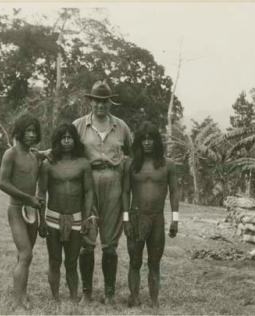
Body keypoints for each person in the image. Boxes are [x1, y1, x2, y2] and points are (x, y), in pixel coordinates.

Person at [72, 80, 132, 304]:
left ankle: (109, 294)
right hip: (87, 183)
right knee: (87, 239)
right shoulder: (79, 125)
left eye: (104, 101)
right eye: (97, 101)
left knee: (110, 242)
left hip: (114, 183)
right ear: (91, 102)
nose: (100, 105)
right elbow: (63, 148)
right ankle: (86, 293)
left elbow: (132, 155)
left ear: (110, 102)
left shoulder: (121, 127)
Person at [122, 122, 179, 308]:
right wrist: (125, 220)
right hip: (136, 216)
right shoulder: (130, 164)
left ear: (156, 141)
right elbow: (125, 192)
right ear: (139, 141)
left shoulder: (167, 165)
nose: (147, 142)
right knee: (135, 260)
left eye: (151, 139)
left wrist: (175, 220)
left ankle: (154, 301)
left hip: (157, 218)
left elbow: (174, 192)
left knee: (154, 262)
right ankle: (134, 297)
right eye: (144, 139)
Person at [37, 123, 94, 302]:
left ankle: (73, 298)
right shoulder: (48, 164)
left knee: (71, 262)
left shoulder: (83, 163)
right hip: (53, 217)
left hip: (76, 218)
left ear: (75, 140)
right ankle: (55, 299)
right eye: (63, 138)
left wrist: (86, 218)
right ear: (58, 141)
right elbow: (41, 193)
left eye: (70, 137)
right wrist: (42, 220)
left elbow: (88, 191)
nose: (67, 141)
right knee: (55, 261)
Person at [0, 113, 43, 310]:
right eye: (27, 131)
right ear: (20, 132)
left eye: (34, 131)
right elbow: (2, 183)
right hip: (16, 209)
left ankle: (22, 294)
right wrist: (27, 198)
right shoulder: (11, 154)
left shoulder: (34, 155)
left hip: (32, 210)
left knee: (24, 255)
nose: (31, 135)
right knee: (26, 254)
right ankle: (17, 303)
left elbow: (46, 153)